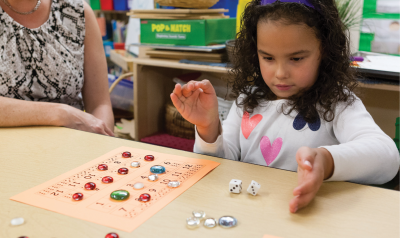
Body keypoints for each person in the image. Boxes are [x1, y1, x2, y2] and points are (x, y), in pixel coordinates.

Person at [170, 0, 400, 213]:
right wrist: (208, 127)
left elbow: (387, 157)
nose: (280, 74)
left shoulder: (338, 102)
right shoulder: (247, 100)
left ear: (325, 51)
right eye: (268, 58)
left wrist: (326, 160)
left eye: (297, 58)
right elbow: (223, 164)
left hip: (305, 215)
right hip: (249, 211)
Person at [0, 0, 114, 136]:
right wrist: (61, 114)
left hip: (70, 148)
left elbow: (100, 104)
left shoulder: (77, 12)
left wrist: (100, 143)